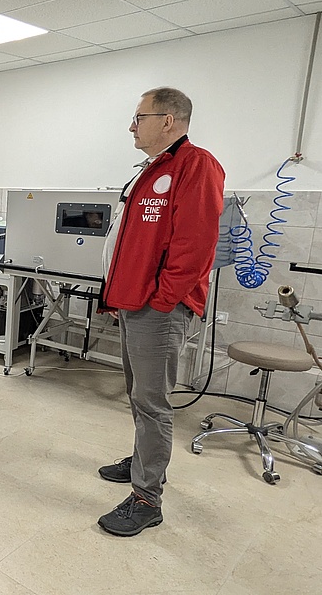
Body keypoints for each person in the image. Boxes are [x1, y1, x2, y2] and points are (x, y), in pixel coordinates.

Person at [97, 87, 225, 536]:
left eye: (139, 117)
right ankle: (145, 461)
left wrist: (162, 300)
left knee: (152, 405)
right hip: (134, 302)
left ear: (167, 120)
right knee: (138, 396)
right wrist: (116, 295)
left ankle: (147, 498)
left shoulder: (197, 165)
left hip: (159, 309)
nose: (132, 126)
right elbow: (130, 242)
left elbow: (195, 246)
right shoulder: (152, 169)